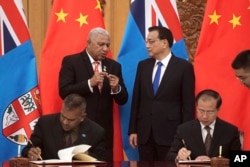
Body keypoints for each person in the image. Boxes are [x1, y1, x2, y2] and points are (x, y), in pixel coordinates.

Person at [58, 27, 128, 161]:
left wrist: (116, 88)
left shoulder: (114, 66)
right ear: (88, 43)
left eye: (107, 45)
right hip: (78, 129)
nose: (105, 49)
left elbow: (123, 99)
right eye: (101, 44)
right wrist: (89, 83)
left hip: (104, 132)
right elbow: (64, 91)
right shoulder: (72, 62)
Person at [128, 26, 195, 161]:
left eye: (151, 42)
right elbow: (137, 99)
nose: (147, 46)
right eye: (146, 42)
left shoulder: (184, 67)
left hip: (171, 133)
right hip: (145, 133)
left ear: (164, 43)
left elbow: (188, 105)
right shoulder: (143, 66)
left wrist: (185, 136)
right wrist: (133, 130)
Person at [21, 94, 106, 161]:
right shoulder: (45, 123)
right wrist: (30, 152)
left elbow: (103, 160)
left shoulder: (96, 131)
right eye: (62, 116)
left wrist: (87, 155)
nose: (65, 122)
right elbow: (27, 149)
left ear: (82, 117)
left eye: (71, 120)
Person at [167, 89, 241, 161]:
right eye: (201, 111)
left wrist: (216, 162)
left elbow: (239, 159)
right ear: (196, 108)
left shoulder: (230, 131)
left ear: (218, 109)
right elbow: (170, 156)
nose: (205, 116)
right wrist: (179, 156)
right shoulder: (184, 130)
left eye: (210, 112)